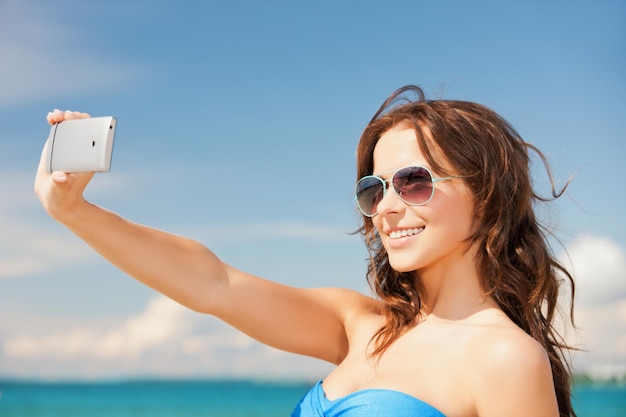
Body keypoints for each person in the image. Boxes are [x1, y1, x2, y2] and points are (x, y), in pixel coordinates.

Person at [35, 85, 577, 417]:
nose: (387, 207)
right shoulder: (361, 324)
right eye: (375, 189)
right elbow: (212, 283)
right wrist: (73, 211)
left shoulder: (506, 359)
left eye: (414, 182)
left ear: (487, 196)